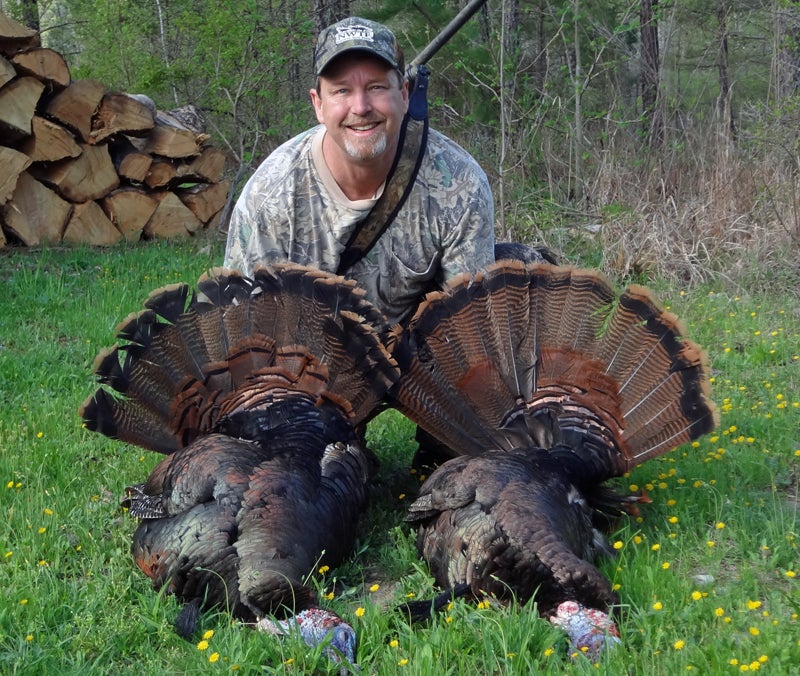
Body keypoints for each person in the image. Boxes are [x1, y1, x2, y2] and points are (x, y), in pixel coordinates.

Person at [223, 16, 495, 327]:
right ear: (318, 104)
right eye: (341, 91)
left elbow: (473, 329)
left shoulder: (459, 185)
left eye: (376, 87)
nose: (361, 106)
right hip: (304, 364)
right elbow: (243, 331)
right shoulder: (268, 199)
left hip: (416, 361)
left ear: (404, 95)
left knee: (521, 264)